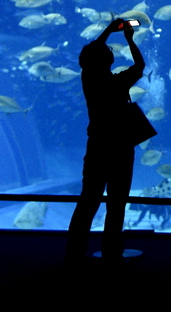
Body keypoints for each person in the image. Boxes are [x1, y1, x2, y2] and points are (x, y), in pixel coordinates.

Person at [66, 19, 146, 263]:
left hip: (97, 147)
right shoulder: (119, 82)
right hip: (121, 148)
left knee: (88, 200)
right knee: (116, 204)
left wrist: (107, 32)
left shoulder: (89, 79)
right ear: (109, 61)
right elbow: (140, 65)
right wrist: (129, 39)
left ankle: (74, 252)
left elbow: (91, 55)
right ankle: (112, 252)